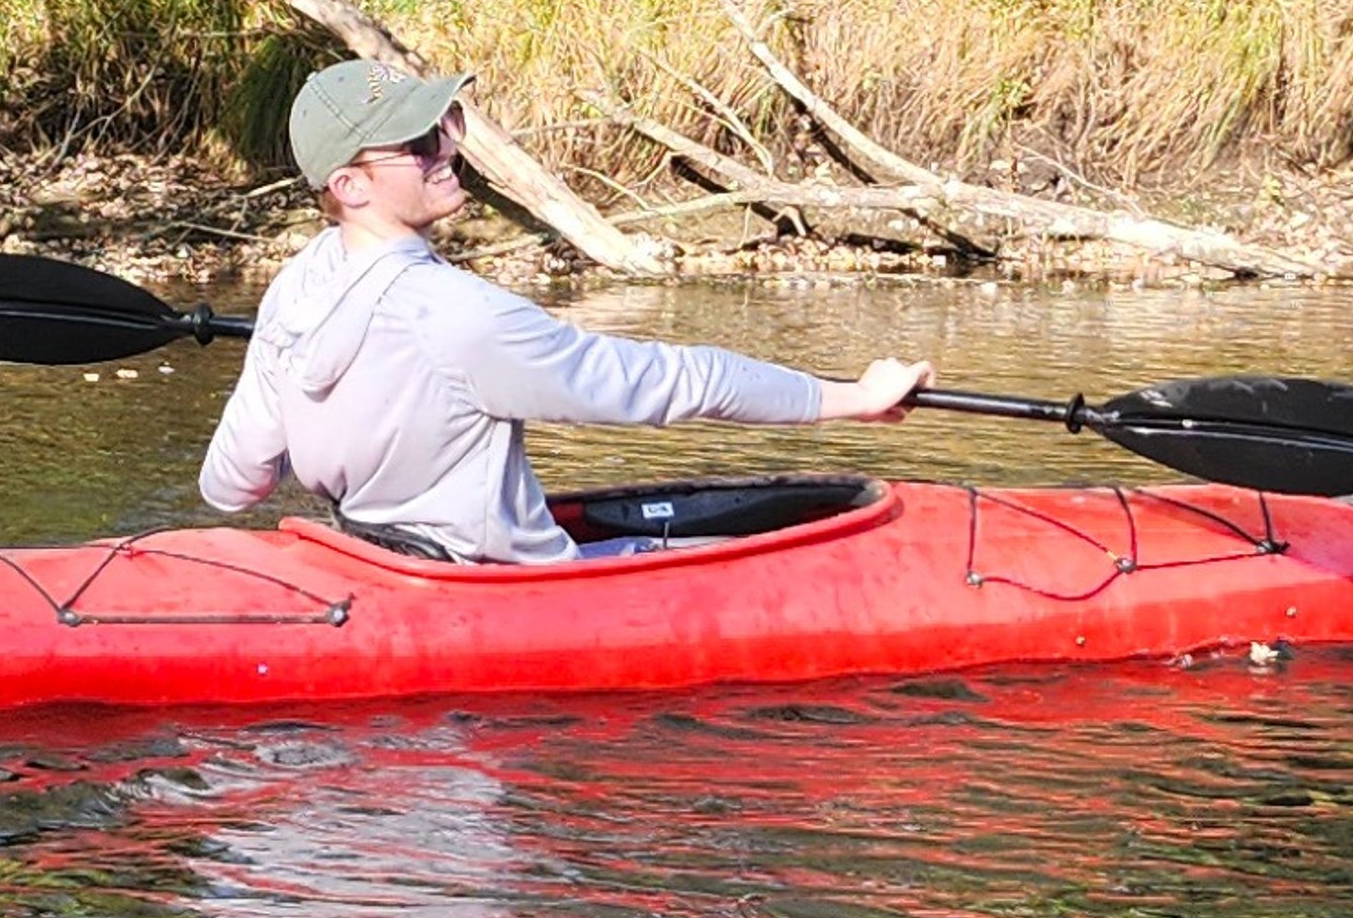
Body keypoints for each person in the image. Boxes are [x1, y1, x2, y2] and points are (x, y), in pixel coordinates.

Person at [197, 60, 933, 565]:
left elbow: (229, 486)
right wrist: (853, 399)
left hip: (371, 558)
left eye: (446, 124)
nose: (448, 150)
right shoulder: (463, 317)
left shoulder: (296, 289)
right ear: (350, 186)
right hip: (498, 587)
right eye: (421, 143)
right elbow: (673, 382)